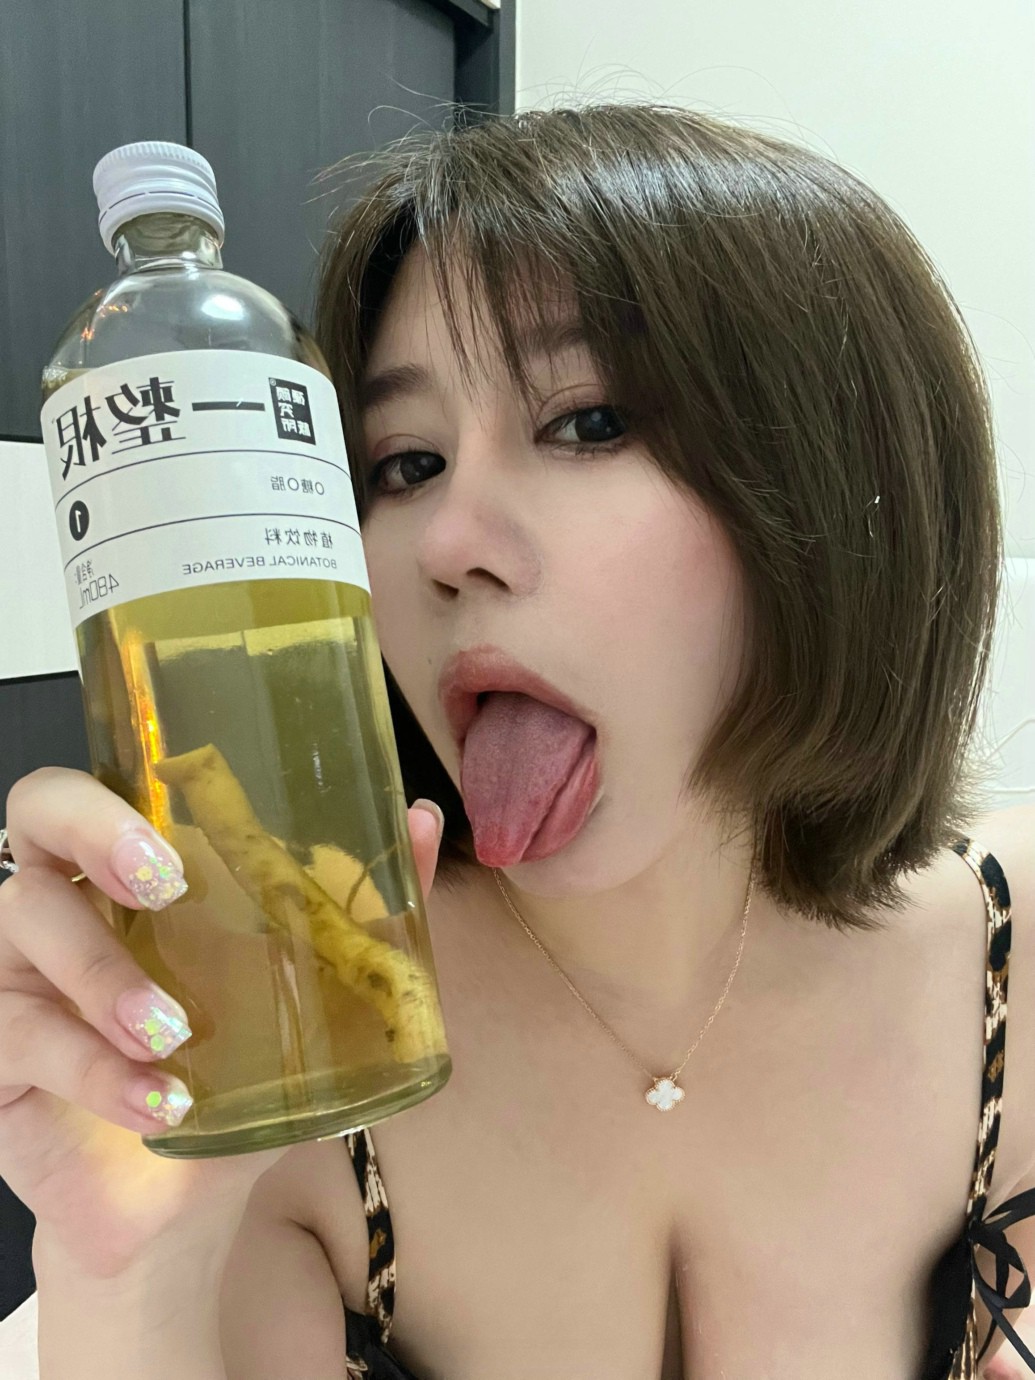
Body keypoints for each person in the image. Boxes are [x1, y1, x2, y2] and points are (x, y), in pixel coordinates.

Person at [0, 101, 1033, 1379]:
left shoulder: (1008, 960)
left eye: (587, 423)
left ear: (840, 482)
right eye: (404, 463)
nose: (445, 543)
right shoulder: (309, 1052)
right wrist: (121, 1272)